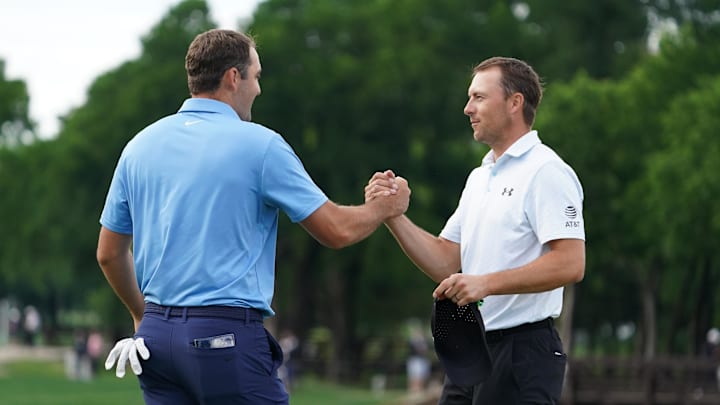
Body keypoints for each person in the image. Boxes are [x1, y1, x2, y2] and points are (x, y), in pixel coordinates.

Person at [97, 28, 410, 405]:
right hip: (223, 338)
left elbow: (109, 253)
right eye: (257, 76)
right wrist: (384, 207)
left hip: (156, 339)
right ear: (233, 77)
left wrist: (142, 315)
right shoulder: (261, 145)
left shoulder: (139, 146)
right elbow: (337, 230)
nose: (259, 89)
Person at [366, 57, 585, 404]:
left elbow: (571, 264)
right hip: (472, 350)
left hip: (524, 353)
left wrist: (484, 283)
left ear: (515, 103)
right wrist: (392, 215)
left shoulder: (547, 171)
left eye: (479, 97)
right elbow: (444, 262)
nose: (468, 108)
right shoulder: (480, 176)